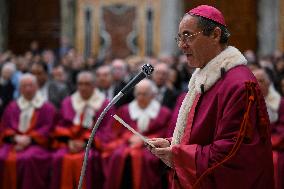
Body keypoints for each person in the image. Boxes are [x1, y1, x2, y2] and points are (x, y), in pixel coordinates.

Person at [147, 5, 274, 189]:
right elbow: (202, 135)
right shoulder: (204, 77)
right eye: (180, 38)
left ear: (215, 35)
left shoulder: (239, 84)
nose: (182, 45)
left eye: (188, 36)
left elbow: (233, 153)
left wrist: (178, 155)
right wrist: (171, 144)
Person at [104, 79, 172, 189]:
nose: (140, 97)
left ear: (152, 95)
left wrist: (144, 139)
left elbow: (165, 132)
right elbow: (116, 132)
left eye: (144, 94)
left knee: (146, 159)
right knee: (117, 155)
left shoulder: (163, 112)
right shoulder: (125, 110)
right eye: (138, 94)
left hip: (151, 146)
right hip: (127, 143)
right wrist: (129, 137)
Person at [50, 71, 113, 189]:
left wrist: (85, 142)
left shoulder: (105, 104)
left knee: (87, 159)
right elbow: (60, 126)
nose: (83, 87)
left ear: (94, 85)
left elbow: (107, 130)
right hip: (70, 144)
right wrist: (69, 141)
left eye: (87, 84)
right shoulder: (68, 102)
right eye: (80, 84)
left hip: (92, 146)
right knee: (58, 157)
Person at [0, 73, 56, 189]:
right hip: (13, 143)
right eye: (24, 86)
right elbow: (5, 127)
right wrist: (15, 138)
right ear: (20, 89)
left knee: (28, 159)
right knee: (1, 157)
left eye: (31, 85)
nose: (28, 89)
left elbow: (48, 129)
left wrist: (29, 139)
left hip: (37, 144)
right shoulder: (12, 106)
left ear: (37, 87)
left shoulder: (46, 107)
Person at [253, 69, 284, 189]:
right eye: (255, 81)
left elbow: (282, 131)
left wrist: (266, 144)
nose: (258, 84)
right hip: (254, 147)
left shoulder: (280, 103)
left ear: (268, 83)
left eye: (261, 81)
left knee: (275, 161)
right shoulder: (249, 102)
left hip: (274, 147)